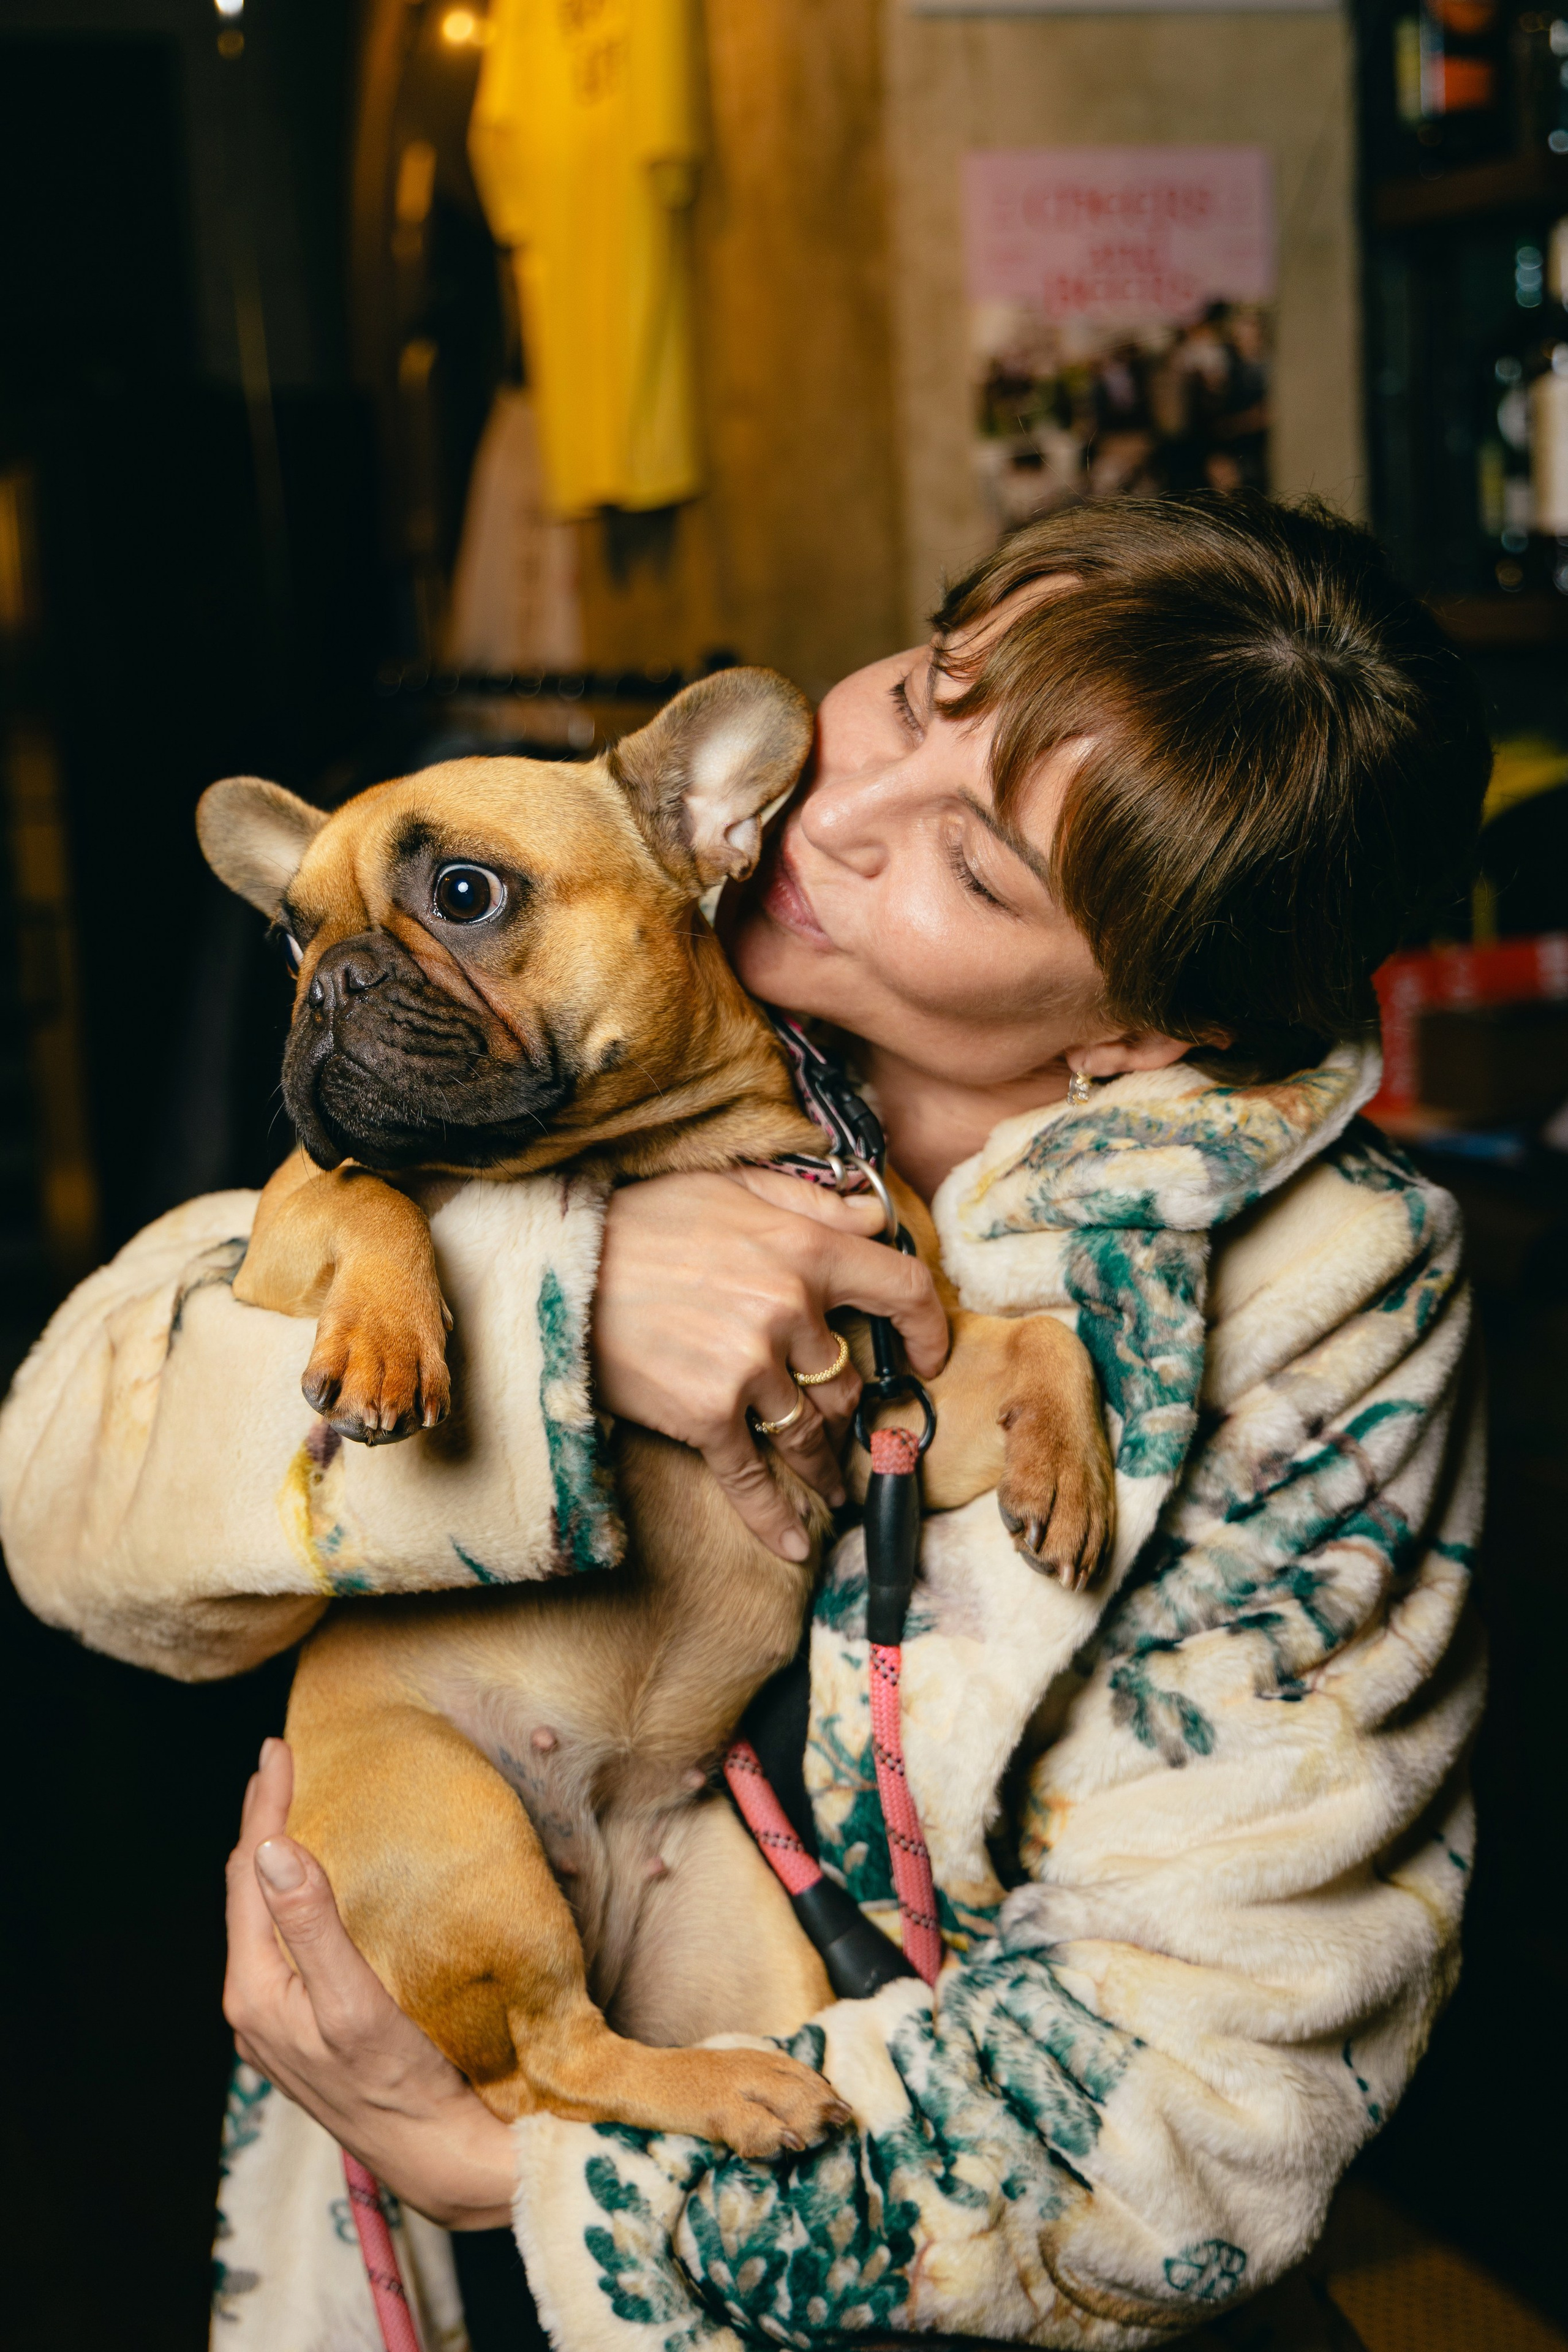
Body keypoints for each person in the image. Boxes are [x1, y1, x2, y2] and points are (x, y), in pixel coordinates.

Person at [1, 492, 1491, 2349]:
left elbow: (1211, 2077)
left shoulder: (1323, 1297)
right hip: (415, 2092)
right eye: (921, 698)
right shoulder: (608, 1032)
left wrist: (536, 2177)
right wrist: (563, 1311)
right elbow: (69, 1491)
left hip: (839, 2243)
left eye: (971, 865)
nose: (842, 817)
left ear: (1144, 1029)